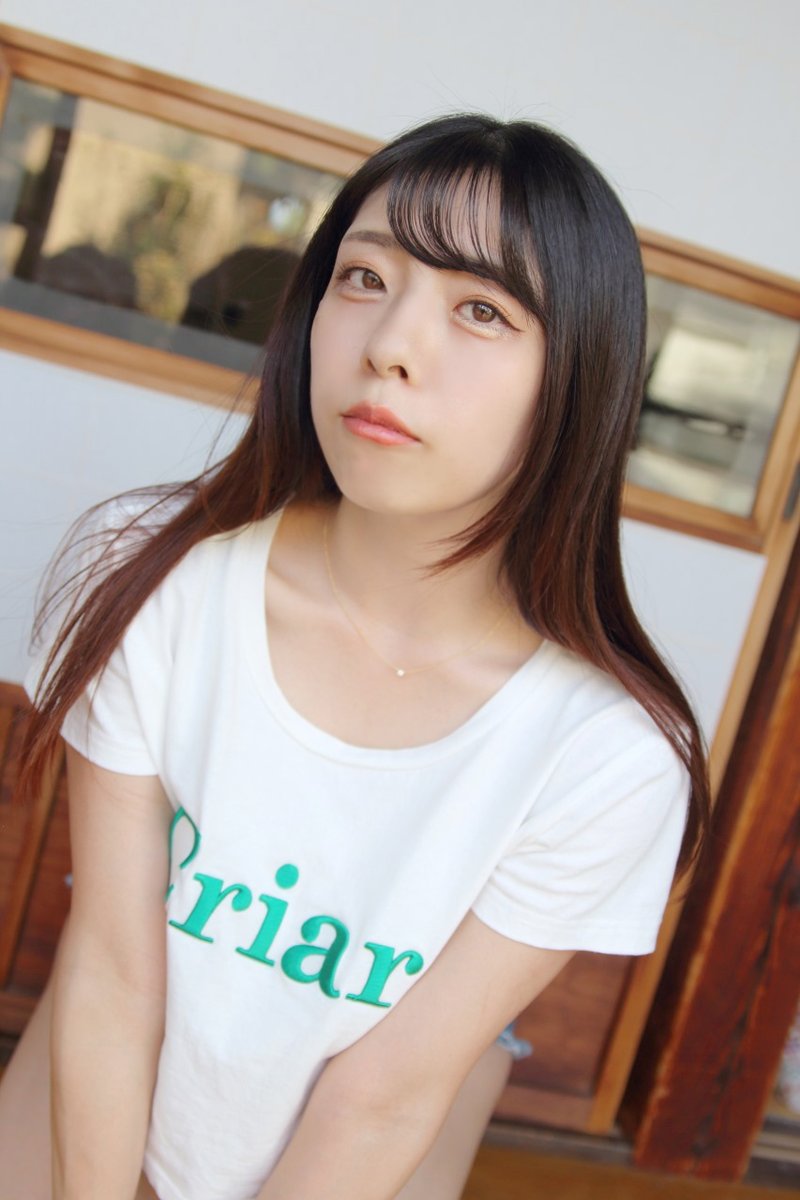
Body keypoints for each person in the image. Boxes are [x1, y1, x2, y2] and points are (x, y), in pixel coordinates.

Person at [1, 112, 708, 1200]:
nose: (389, 347)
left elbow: (383, 1095)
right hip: (121, 1044)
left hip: (377, 1129)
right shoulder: (152, 575)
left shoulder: (610, 757)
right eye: (364, 279)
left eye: (481, 309)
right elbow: (109, 964)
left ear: (577, 378)